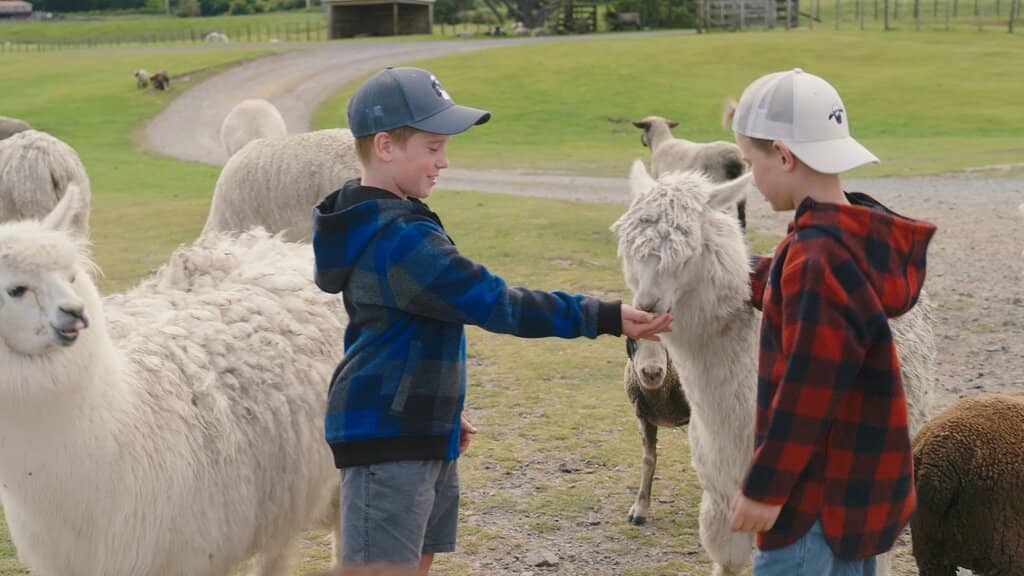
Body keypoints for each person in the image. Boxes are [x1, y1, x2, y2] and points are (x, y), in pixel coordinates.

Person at [311, 66, 672, 574]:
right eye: (433, 148)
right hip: (387, 436)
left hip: (413, 426)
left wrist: (438, 413)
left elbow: (405, 333)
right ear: (387, 146)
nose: (444, 162)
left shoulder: (394, 224)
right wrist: (605, 315)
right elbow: (498, 304)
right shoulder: (399, 239)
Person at [727, 68, 937, 576]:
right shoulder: (848, 240)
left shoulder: (814, 259)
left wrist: (764, 488)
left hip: (807, 509)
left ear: (783, 154)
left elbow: (809, 388)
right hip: (857, 497)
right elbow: (796, 289)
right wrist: (720, 268)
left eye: (750, 162)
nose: (751, 180)